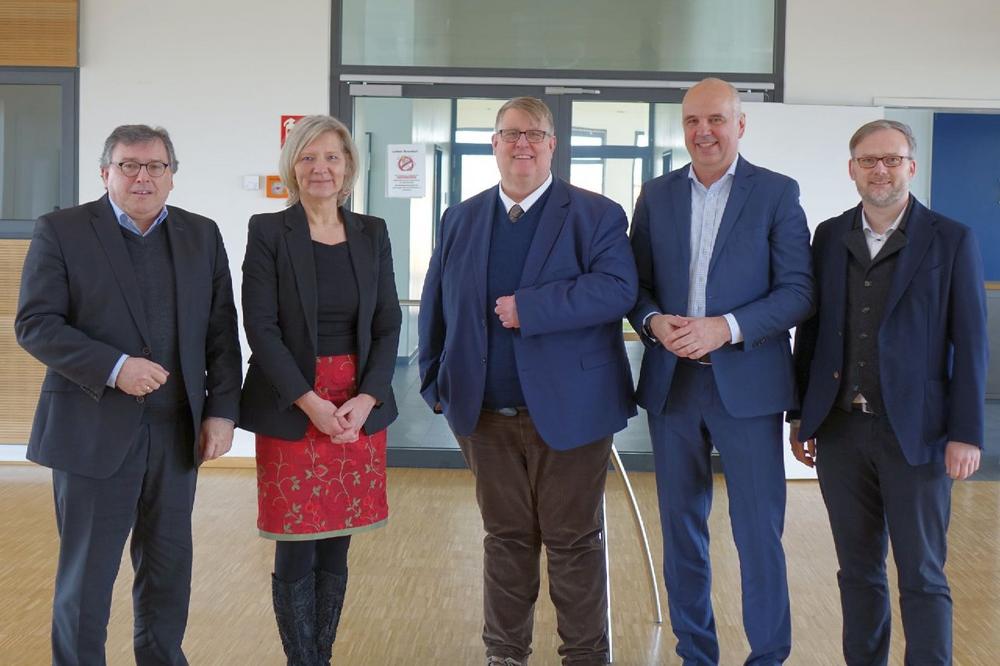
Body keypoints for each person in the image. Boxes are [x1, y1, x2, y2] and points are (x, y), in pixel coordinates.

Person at [418, 96, 637, 666]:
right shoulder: (461, 217)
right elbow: (437, 303)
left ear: (552, 145)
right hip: (485, 416)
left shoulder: (596, 213)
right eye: (511, 134)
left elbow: (618, 289)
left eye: (535, 134)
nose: (523, 144)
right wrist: (434, 383)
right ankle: (505, 653)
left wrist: (531, 308)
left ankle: (585, 656)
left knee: (573, 541)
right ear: (494, 144)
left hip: (573, 414)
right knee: (506, 539)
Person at [15, 124, 242, 664]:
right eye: (129, 165)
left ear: (171, 175)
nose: (143, 177)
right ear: (105, 173)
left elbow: (221, 332)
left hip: (176, 434)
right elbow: (36, 324)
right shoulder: (62, 231)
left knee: (168, 572)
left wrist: (222, 412)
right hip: (91, 434)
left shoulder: (201, 234)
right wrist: (115, 368)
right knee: (87, 580)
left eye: (155, 166)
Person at [627, 78, 813, 665]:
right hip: (673, 386)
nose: (703, 132)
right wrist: (653, 321)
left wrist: (725, 327)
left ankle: (768, 656)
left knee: (758, 532)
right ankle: (695, 654)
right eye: (692, 121)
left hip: (749, 386)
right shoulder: (656, 195)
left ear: (740, 124)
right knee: (681, 531)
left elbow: (798, 292)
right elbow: (635, 286)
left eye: (715, 120)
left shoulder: (776, 193)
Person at [789, 119, 987, 665]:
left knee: (922, 573)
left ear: (911, 167)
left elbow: (971, 343)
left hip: (918, 435)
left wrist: (966, 433)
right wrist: (800, 415)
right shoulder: (829, 236)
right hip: (840, 431)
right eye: (868, 160)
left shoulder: (952, 239)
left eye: (892, 159)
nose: (880, 170)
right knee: (857, 572)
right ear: (851, 169)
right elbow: (812, 331)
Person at [239, 114, 402, 664]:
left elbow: (388, 322)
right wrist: (310, 402)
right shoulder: (269, 230)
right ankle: (301, 659)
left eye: (332, 156)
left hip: (356, 403)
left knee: (337, 538)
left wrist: (368, 398)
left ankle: (321, 656)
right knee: (296, 542)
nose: (320, 168)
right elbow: (260, 327)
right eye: (308, 157)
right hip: (293, 402)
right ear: (293, 166)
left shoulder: (372, 232)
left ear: (349, 166)